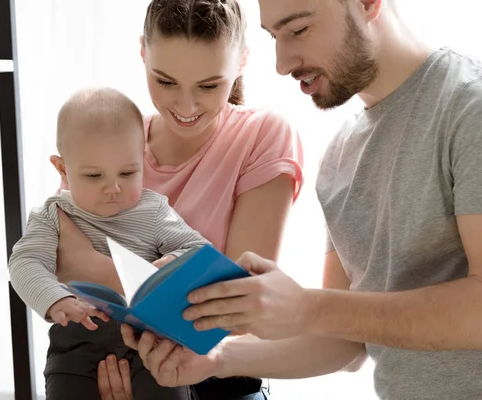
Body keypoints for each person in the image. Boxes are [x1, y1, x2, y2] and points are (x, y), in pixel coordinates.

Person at [118, 0, 482, 399]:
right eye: (274, 35)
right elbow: (346, 344)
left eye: (298, 29)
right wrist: (217, 360)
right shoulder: (340, 157)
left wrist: (306, 306)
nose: (281, 62)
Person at [53, 0, 304, 399]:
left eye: (208, 86)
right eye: (165, 81)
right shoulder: (111, 133)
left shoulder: (262, 135)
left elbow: (236, 306)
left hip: (221, 384)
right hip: (110, 367)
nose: (186, 107)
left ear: (241, 61)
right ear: (142, 53)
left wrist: (101, 270)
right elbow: (64, 266)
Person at [8, 87, 210, 400]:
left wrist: (162, 267)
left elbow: (198, 252)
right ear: (63, 169)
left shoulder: (154, 210)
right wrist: (55, 300)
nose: (113, 187)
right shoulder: (53, 214)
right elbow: (25, 262)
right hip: (76, 346)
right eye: (93, 176)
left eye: (128, 172)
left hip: (151, 345)